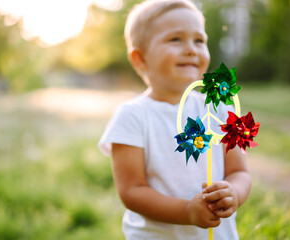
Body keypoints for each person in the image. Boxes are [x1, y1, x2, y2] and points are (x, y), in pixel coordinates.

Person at [98, 0, 251, 239]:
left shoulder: (219, 108)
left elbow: (240, 172)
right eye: (175, 39)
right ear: (140, 59)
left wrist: (234, 192)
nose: (191, 49)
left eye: (199, 40)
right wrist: (187, 212)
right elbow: (131, 191)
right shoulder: (132, 116)